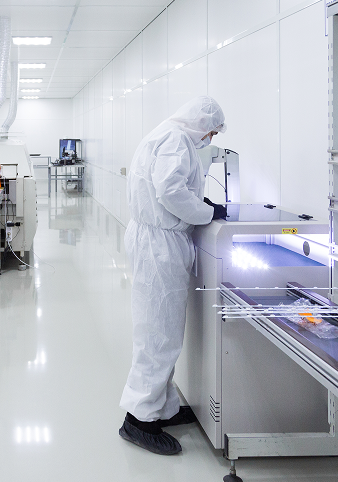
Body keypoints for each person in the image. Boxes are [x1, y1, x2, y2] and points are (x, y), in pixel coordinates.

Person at [118, 96, 228, 455]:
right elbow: (170, 190)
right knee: (157, 332)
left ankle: (160, 407)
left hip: (156, 239)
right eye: (210, 132)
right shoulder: (176, 141)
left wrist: (201, 207)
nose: (210, 138)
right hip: (159, 244)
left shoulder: (165, 134)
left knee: (162, 329)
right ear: (201, 125)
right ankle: (138, 420)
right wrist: (207, 212)